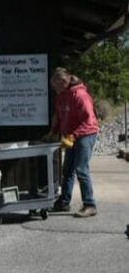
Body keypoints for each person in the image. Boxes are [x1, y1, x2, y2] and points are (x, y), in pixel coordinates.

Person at [48, 67, 98, 217]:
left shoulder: (80, 95)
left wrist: (73, 136)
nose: (54, 90)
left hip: (86, 134)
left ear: (64, 81)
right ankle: (64, 202)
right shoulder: (61, 95)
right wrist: (53, 132)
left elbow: (88, 121)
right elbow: (60, 116)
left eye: (56, 86)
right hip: (71, 136)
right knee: (67, 169)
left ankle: (90, 205)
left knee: (81, 169)